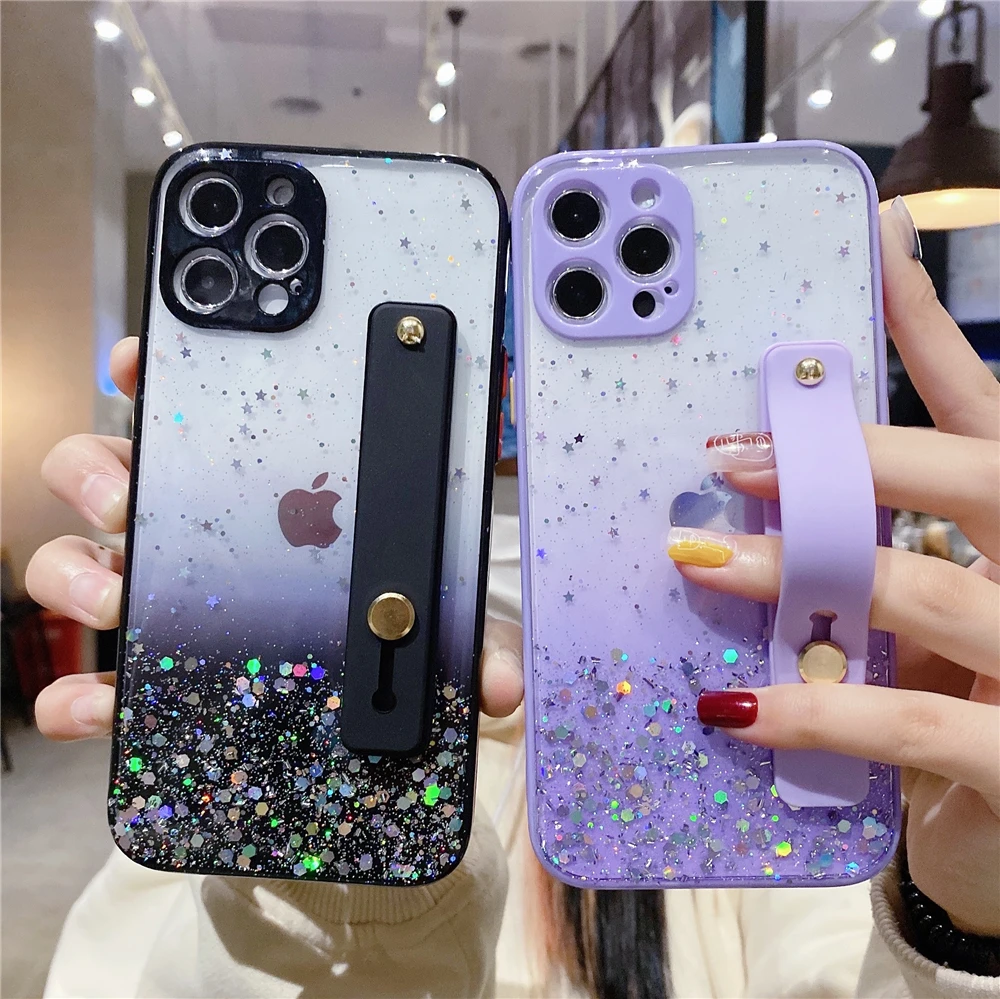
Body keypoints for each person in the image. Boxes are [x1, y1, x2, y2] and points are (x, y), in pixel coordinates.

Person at [25, 198, 998, 998]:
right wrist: (328, 814)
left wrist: (970, 922)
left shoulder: (765, 762)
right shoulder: (250, 763)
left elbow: (826, 962)